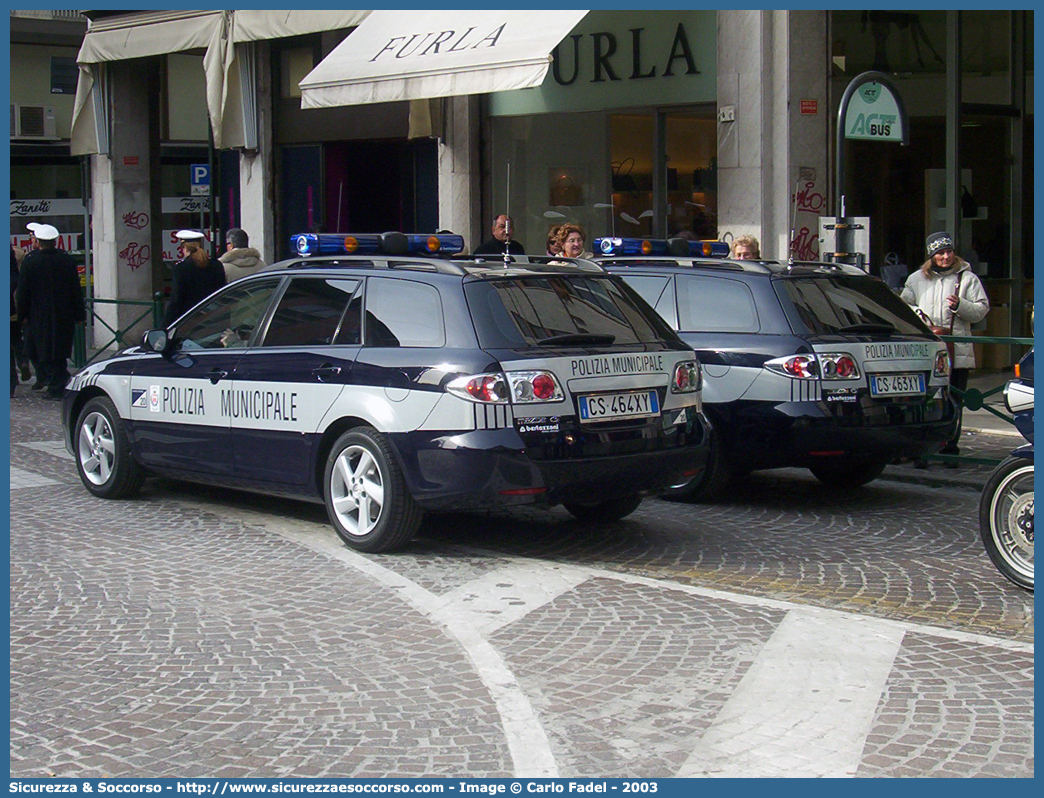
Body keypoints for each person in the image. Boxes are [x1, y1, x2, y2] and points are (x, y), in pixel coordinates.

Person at [901, 231, 990, 461]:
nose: (946, 256)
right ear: (932, 255)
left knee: (954, 401)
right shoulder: (916, 279)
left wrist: (961, 305)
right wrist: (920, 316)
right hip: (927, 351)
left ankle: (951, 447)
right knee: (925, 399)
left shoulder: (968, 279)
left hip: (957, 351)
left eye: (949, 251)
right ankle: (923, 449)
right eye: (940, 252)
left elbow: (981, 310)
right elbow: (903, 306)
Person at [15, 224, 86, 400]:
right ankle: (58, 382)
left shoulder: (31, 261)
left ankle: (57, 385)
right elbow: (75, 289)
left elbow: (23, 291)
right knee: (59, 349)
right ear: (55, 242)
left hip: (38, 313)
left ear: (38, 241)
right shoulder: (66, 260)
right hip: (64, 312)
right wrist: (79, 314)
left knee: (42, 349)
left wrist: (22, 314)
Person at [163, 230, 227, 328]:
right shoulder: (216, 265)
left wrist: (165, 326)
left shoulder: (181, 268)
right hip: (214, 320)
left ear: (184, 248)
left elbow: (176, 300)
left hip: (190, 321)